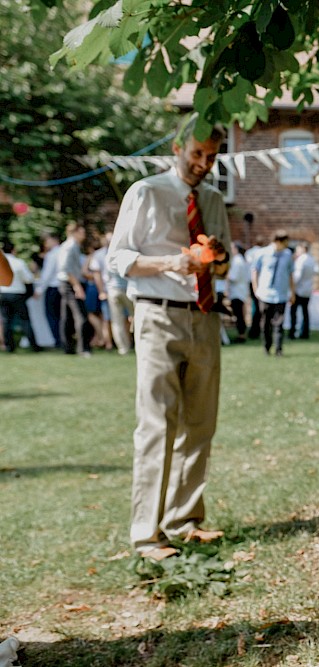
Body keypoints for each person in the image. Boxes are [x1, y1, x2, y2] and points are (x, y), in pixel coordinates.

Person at [107, 114, 232, 561]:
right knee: (158, 424)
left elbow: (225, 265)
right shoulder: (146, 192)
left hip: (204, 317)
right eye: (197, 153)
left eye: (211, 156)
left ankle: (185, 520)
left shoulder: (214, 199)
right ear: (178, 148)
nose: (203, 163)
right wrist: (170, 264)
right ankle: (146, 535)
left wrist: (216, 260)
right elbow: (118, 259)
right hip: (157, 316)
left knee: (200, 424)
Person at [251, 229, 294, 356]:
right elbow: (255, 271)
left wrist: (292, 292)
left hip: (280, 294)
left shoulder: (288, 255)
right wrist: (256, 289)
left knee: (279, 323)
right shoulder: (262, 253)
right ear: (277, 241)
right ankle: (266, 347)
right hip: (265, 294)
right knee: (265, 323)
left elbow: (290, 274)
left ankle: (279, 349)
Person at [56, 222, 91, 357]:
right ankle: (83, 348)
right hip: (70, 284)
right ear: (74, 232)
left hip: (68, 283)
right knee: (81, 316)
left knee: (67, 317)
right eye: (81, 232)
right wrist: (77, 287)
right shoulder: (70, 246)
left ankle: (68, 347)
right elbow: (67, 269)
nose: (83, 235)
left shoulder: (71, 246)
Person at [0, 240, 42, 352]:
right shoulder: (19, 262)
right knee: (25, 320)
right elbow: (28, 279)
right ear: (13, 250)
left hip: (3, 293)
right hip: (17, 294)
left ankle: (9, 346)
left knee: (6, 321)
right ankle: (34, 346)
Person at [35, 233, 62, 347]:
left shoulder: (51, 255)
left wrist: (40, 289)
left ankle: (58, 340)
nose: (45, 244)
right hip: (63, 287)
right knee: (62, 316)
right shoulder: (64, 251)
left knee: (52, 315)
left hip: (53, 288)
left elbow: (47, 274)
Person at [290, 242, 319, 339]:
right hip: (307, 290)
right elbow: (316, 271)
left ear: (302, 249)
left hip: (299, 290)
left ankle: (292, 333)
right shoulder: (312, 259)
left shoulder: (301, 260)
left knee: (293, 312)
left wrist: (291, 286)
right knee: (305, 312)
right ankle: (305, 332)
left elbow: (297, 277)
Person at [226, 242, 249, 343]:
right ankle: (242, 333)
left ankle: (241, 334)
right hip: (240, 291)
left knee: (239, 314)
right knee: (240, 314)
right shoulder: (240, 260)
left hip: (237, 292)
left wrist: (224, 274)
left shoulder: (237, 261)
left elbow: (233, 277)